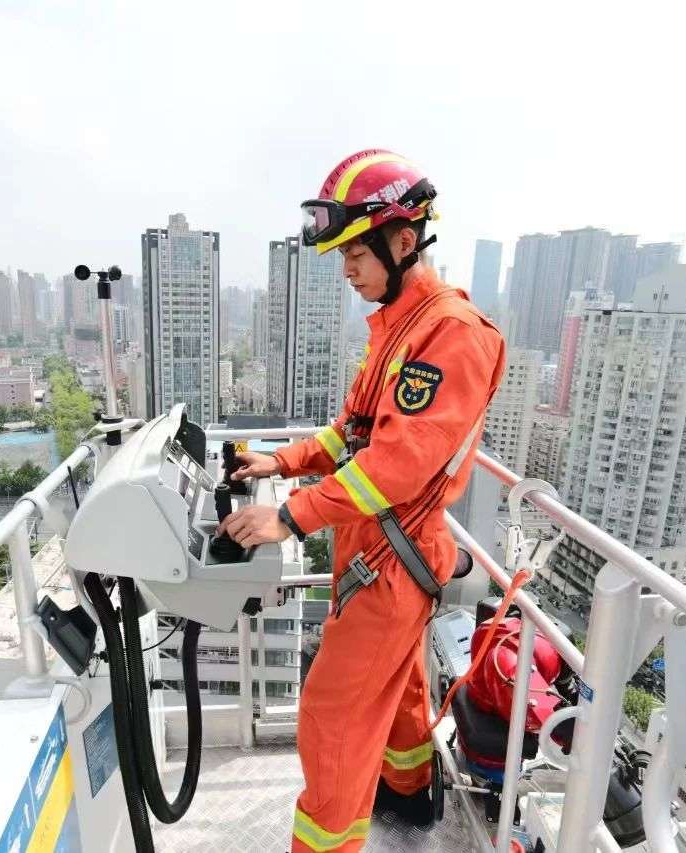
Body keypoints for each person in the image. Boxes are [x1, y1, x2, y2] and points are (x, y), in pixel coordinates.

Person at [216, 150, 507, 851]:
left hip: (394, 557)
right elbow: (354, 432)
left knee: (333, 711)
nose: (347, 268)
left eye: (357, 251)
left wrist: (287, 515)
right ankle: (409, 798)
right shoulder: (398, 329)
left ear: (403, 242)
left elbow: (397, 465)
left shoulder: (451, 335)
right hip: (375, 550)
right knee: (399, 691)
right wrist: (279, 460)